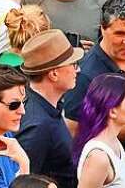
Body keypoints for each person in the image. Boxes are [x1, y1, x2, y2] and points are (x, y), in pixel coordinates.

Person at [16, 29, 83, 188]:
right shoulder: (37, 126)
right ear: (54, 74)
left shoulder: (48, 108)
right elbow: (26, 183)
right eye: (73, 64)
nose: (78, 69)